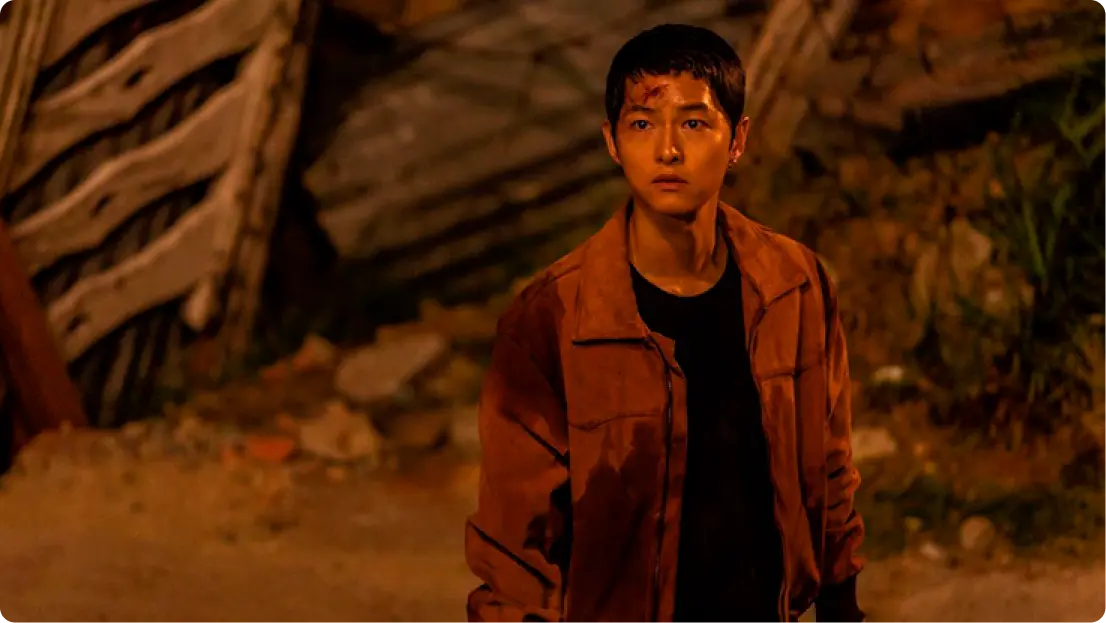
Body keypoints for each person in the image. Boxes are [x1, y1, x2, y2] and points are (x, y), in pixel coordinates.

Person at [465, 23, 865, 623]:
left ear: (738, 139)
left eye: (695, 123)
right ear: (612, 141)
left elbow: (830, 470)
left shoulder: (795, 287)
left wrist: (842, 605)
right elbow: (514, 544)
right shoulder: (552, 318)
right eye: (643, 124)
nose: (668, 151)